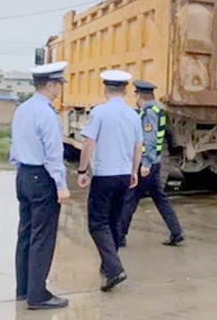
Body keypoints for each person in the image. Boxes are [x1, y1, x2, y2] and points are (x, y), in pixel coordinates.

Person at [9, 62, 70, 310]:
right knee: (42, 237)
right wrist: (61, 184)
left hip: (24, 174)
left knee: (25, 233)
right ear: (50, 84)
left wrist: (21, 169)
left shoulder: (22, 109)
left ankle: (23, 289)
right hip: (42, 177)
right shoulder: (47, 112)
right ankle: (38, 295)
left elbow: (14, 146)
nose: (60, 90)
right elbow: (53, 153)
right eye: (59, 85)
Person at [77, 70, 143, 292]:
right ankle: (108, 267)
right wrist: (134, 171)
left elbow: (88, 143)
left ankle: (114, 269)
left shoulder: (100, 113)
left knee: (97, 223)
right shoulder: (134, 115)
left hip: (104, 176)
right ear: (125, 90)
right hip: (124, 176)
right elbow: (138, 147)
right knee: (114, 221)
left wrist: (82, 170)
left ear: (105, 90)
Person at [119, 80, 184, 248]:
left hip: (146, 164)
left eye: (136, 95)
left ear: (140, 95)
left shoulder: (149, 113)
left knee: (130, 199)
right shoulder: (157, 109)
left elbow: (150, 139)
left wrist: (145, 164)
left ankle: (119, 236)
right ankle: (176, 232)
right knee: (160, 198)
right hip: (155, 162)